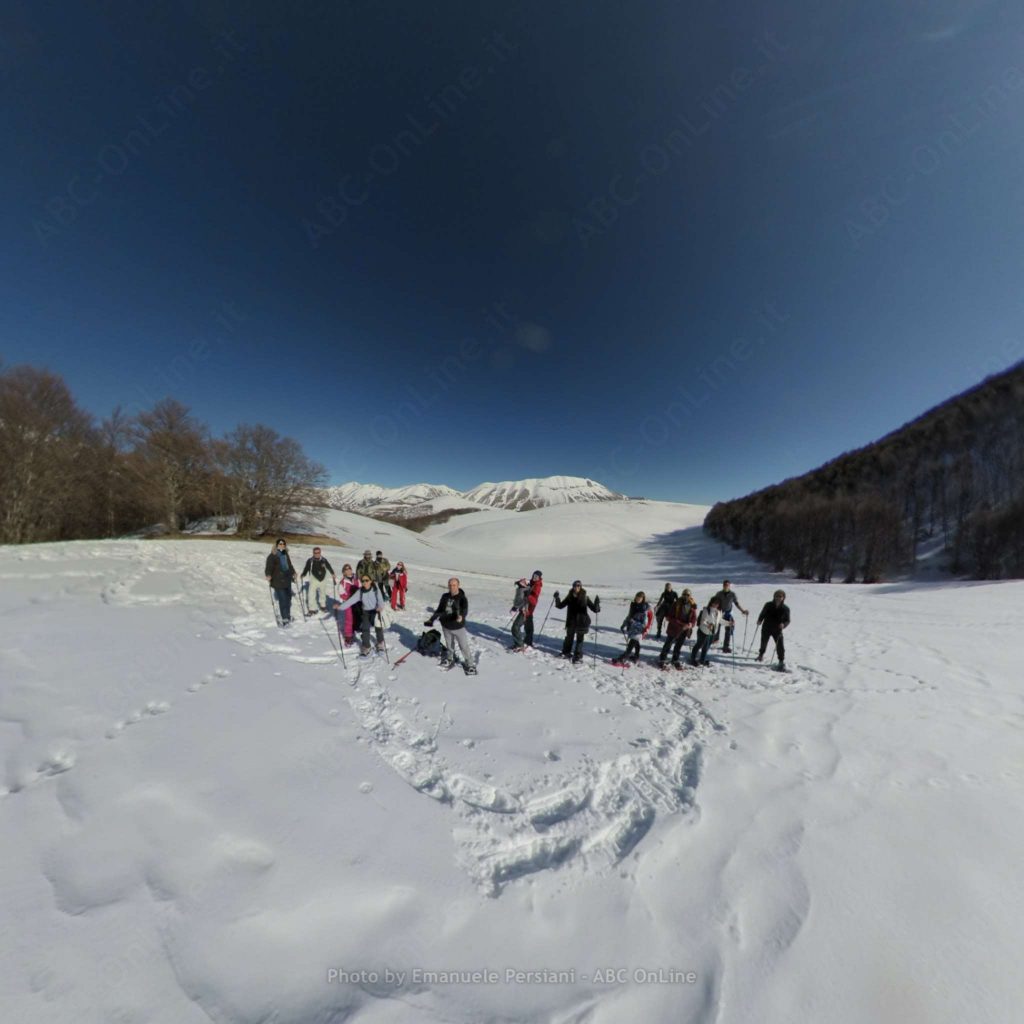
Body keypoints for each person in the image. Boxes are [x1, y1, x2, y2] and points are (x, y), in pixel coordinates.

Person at [425, 577, 477, 673]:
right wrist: (431, 619)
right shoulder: (445, 596)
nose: (452, 587)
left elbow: (464, 609)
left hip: (458, 627)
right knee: (449, 645)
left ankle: (470, 664)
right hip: (446, 626)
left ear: (458, 585)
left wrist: (461, 616)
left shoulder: (462, 598)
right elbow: (439, 609)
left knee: (463, 646)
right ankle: (450, 658)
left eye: (454, 585)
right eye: (450, 585)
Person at [331, 572, 386, 656]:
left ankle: (380, 643)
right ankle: (366, 647)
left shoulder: (375, 589)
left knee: (378, 628)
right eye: (363, 581)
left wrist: (380, 607)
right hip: (366, 612)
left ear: (370, 581)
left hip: (375, 611)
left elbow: (381, 600)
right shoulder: (360, 592)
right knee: (365, 629)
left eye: (367, 580)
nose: (364, 582)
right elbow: (350, 601)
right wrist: (340, 607)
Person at [553, 581, 600, 663]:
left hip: (581, 622)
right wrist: (557, 598)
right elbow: (560, 606)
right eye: (575, 586)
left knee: (580, 639)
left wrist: (597, 604)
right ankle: (566, 652)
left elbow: (595, 609)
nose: (576, 587)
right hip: (571, 621)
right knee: (569, 638)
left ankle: (577, 656)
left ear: (580, 587)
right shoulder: (569, 597)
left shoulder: (585, 597)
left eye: (578, 586)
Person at [658, 588, 697, 668]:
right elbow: (670, 616)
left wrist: (690, 624)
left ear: (690, 596)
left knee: (679, 645)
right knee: (668, 644)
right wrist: (681, 624)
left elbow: (694, 618)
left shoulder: (693, 606)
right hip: (674, 627)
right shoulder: (676, 604)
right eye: (684, 594)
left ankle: (675, 659)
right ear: (682, 595)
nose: (686, 596)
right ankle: (662, 658)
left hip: (685, 629)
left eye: (688, 595)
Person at [264, 538, 297, 625]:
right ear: (277, 545)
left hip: (287, 579)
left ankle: (287, 615)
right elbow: (269, 567)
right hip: (277, 581)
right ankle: (285, 618)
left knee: (288, 599)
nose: (282, 545)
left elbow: (289, 565)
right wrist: (268, 574)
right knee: (283, 599)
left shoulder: (286, 554)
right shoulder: (272, 556)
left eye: (283, 544)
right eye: (280, 544)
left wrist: (293, 572)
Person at [756, 590, 791, 669]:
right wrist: (759, 620)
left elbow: (788, 620)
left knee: (780, 645)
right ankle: (761, 655)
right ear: (774, 597)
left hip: (777, 629)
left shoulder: (785, 608)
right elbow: (763, 614)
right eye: (777, 596)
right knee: (763, 642)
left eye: (780, 596)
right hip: (766, 627)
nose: (778, 598)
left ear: (783, 598)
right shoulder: (768, 605)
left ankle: (781, 661)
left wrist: (784, 624)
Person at [712, 579, 748, 653]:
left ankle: (726, 646)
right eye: (725, 585)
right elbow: (714, 603)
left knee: (728, 630)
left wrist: (742, 610)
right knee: (716, 627)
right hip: (720, 613)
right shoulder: (719, 594)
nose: (726, 586)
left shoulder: (732, 594)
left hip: (728, 614)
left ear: (729, 586)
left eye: (727, 585)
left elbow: (736, 603)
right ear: (723, 585)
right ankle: (715, 639)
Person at [510, 570, 543, 650]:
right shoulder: (531, 583)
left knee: (515, 627)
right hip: (526, 609)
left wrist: (528, 595)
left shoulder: (537, 586)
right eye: (534, 576)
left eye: (536, 577)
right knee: (529, 628)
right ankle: (528, 642)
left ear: (539, 578)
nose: (534, 578)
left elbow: (534, 601)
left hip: (527, 610)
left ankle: (519, 645)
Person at [616, 591, 652, 663]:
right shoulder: (633, 605)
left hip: (639, 630)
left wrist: (634, 622)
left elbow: (644, 624)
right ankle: (636, 656)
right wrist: (624, 624)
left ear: (643, 599)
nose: (638, 599)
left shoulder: (644, 609)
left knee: (631, 644)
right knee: (636, 643)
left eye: (639, 598)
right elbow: (629, 616)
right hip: (632, 628)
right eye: (637, 598)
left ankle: (624, 658)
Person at [300, 546, 336, 616]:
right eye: (315, 553)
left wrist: (332, 573)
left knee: (322, 593)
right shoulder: (310, 560)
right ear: (313, 553)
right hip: (313, 578)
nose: (317, 554)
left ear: (320, 552)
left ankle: (323, 606)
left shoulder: (324, 560)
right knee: (311, 594)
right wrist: (303, 574)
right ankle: (312, 609)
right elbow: (306, 568)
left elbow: (329, 566)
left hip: (323, 579)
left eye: (318, 552)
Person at [690, 596, 723, 667]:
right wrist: (708, 625)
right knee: (699, 645)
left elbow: (720, 620)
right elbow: (703, 620)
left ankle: (702, 659)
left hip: (712, 632)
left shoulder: (719, 611)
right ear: (711, 603)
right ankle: (692, 658)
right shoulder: (706, 610)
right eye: (714, 603)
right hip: (703, 631)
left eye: (717, 603)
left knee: (706, 647)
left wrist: (729, 623)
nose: (716, 605)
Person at [335, 563, 360, 645]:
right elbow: (341, 594)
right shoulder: (343, 582)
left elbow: (361, 588)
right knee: (349, 619)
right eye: (346, 569)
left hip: (358, 602)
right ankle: (348, 637)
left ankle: (355, 629)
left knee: (357, 616)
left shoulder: (356, 579)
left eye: (349, 568)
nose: (348, 570)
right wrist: (350, 598)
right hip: (348, 603)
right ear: (344, 572)